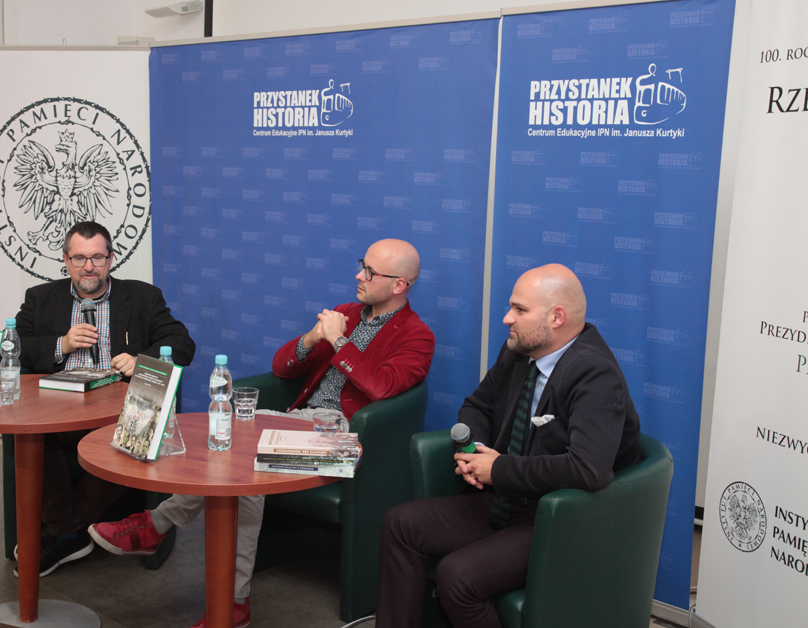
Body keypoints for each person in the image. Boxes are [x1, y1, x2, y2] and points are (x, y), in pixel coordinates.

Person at [88, 238, 435, 628]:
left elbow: (383, 387)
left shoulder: (416, 336)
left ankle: (160, 529)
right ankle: (228, 598)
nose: (359, 275)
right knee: (230, 436)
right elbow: (282, 367)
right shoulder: (346, 313)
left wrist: (340, 341)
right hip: (297, 420)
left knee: (246, 466)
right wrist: (312, 339)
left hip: (342, 438)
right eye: (362, 265)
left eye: (370, 272)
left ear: (399, 285)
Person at [375, 264, 641, 628]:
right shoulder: (518, 351)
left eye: (519, 309)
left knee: (458, 576)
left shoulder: (595, 374)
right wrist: (476, 452)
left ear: (556, 317)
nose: (507, 318)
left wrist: (497, 469)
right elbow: (477, 406)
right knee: (400, 523)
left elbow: (588, 469)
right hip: (505, 499)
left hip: (557, 518)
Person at [15, 221, 195, 577]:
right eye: (79, 258)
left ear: (110, 259)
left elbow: (182, 343)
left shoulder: (142, 297)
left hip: (117, 411)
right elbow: (14, 346)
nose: (89, 267)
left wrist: (142, 359)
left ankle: (65, 533)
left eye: (97, 257)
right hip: (58, 408)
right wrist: (61, 344)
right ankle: (69, 531)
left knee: (128, 437)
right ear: (66, 260)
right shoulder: (41, 298)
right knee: (33, 435)